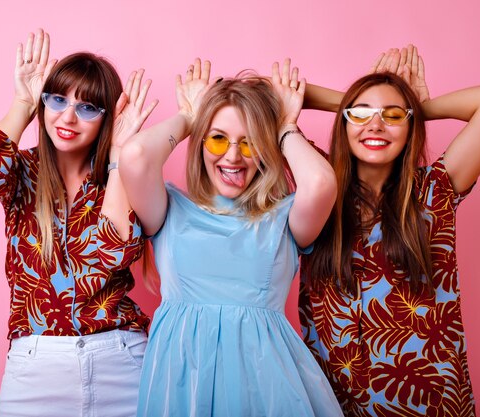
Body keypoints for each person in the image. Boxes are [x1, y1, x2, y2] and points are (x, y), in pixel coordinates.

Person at [299, 45, 480, 416]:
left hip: (429, 403)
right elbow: (265, 99)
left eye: (392, 116)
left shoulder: (435, 189)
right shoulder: (317, 184)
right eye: (362, 115)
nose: (376, 125)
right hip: (332, 402)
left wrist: (416, 110)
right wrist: (360, 107)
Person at [117, 58, 344, 416]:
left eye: (250, 143)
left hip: (268, 392)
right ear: (201, 141)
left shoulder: (284, 218)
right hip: (182, 391)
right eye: (218, 139)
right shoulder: (169, 210)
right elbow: (134, 155)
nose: (233, 156)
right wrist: (191, 117)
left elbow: (320, 183)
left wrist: (285, 126)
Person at [0, 29, 157, 417]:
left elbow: (115, 253)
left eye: (87, 108)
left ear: (107, 119)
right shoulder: (21, 171)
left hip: (122, 360)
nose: (68, 117)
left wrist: (118, 157)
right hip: (35, 367)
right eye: (58, 99)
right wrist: (23, 102)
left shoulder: (121, 178)